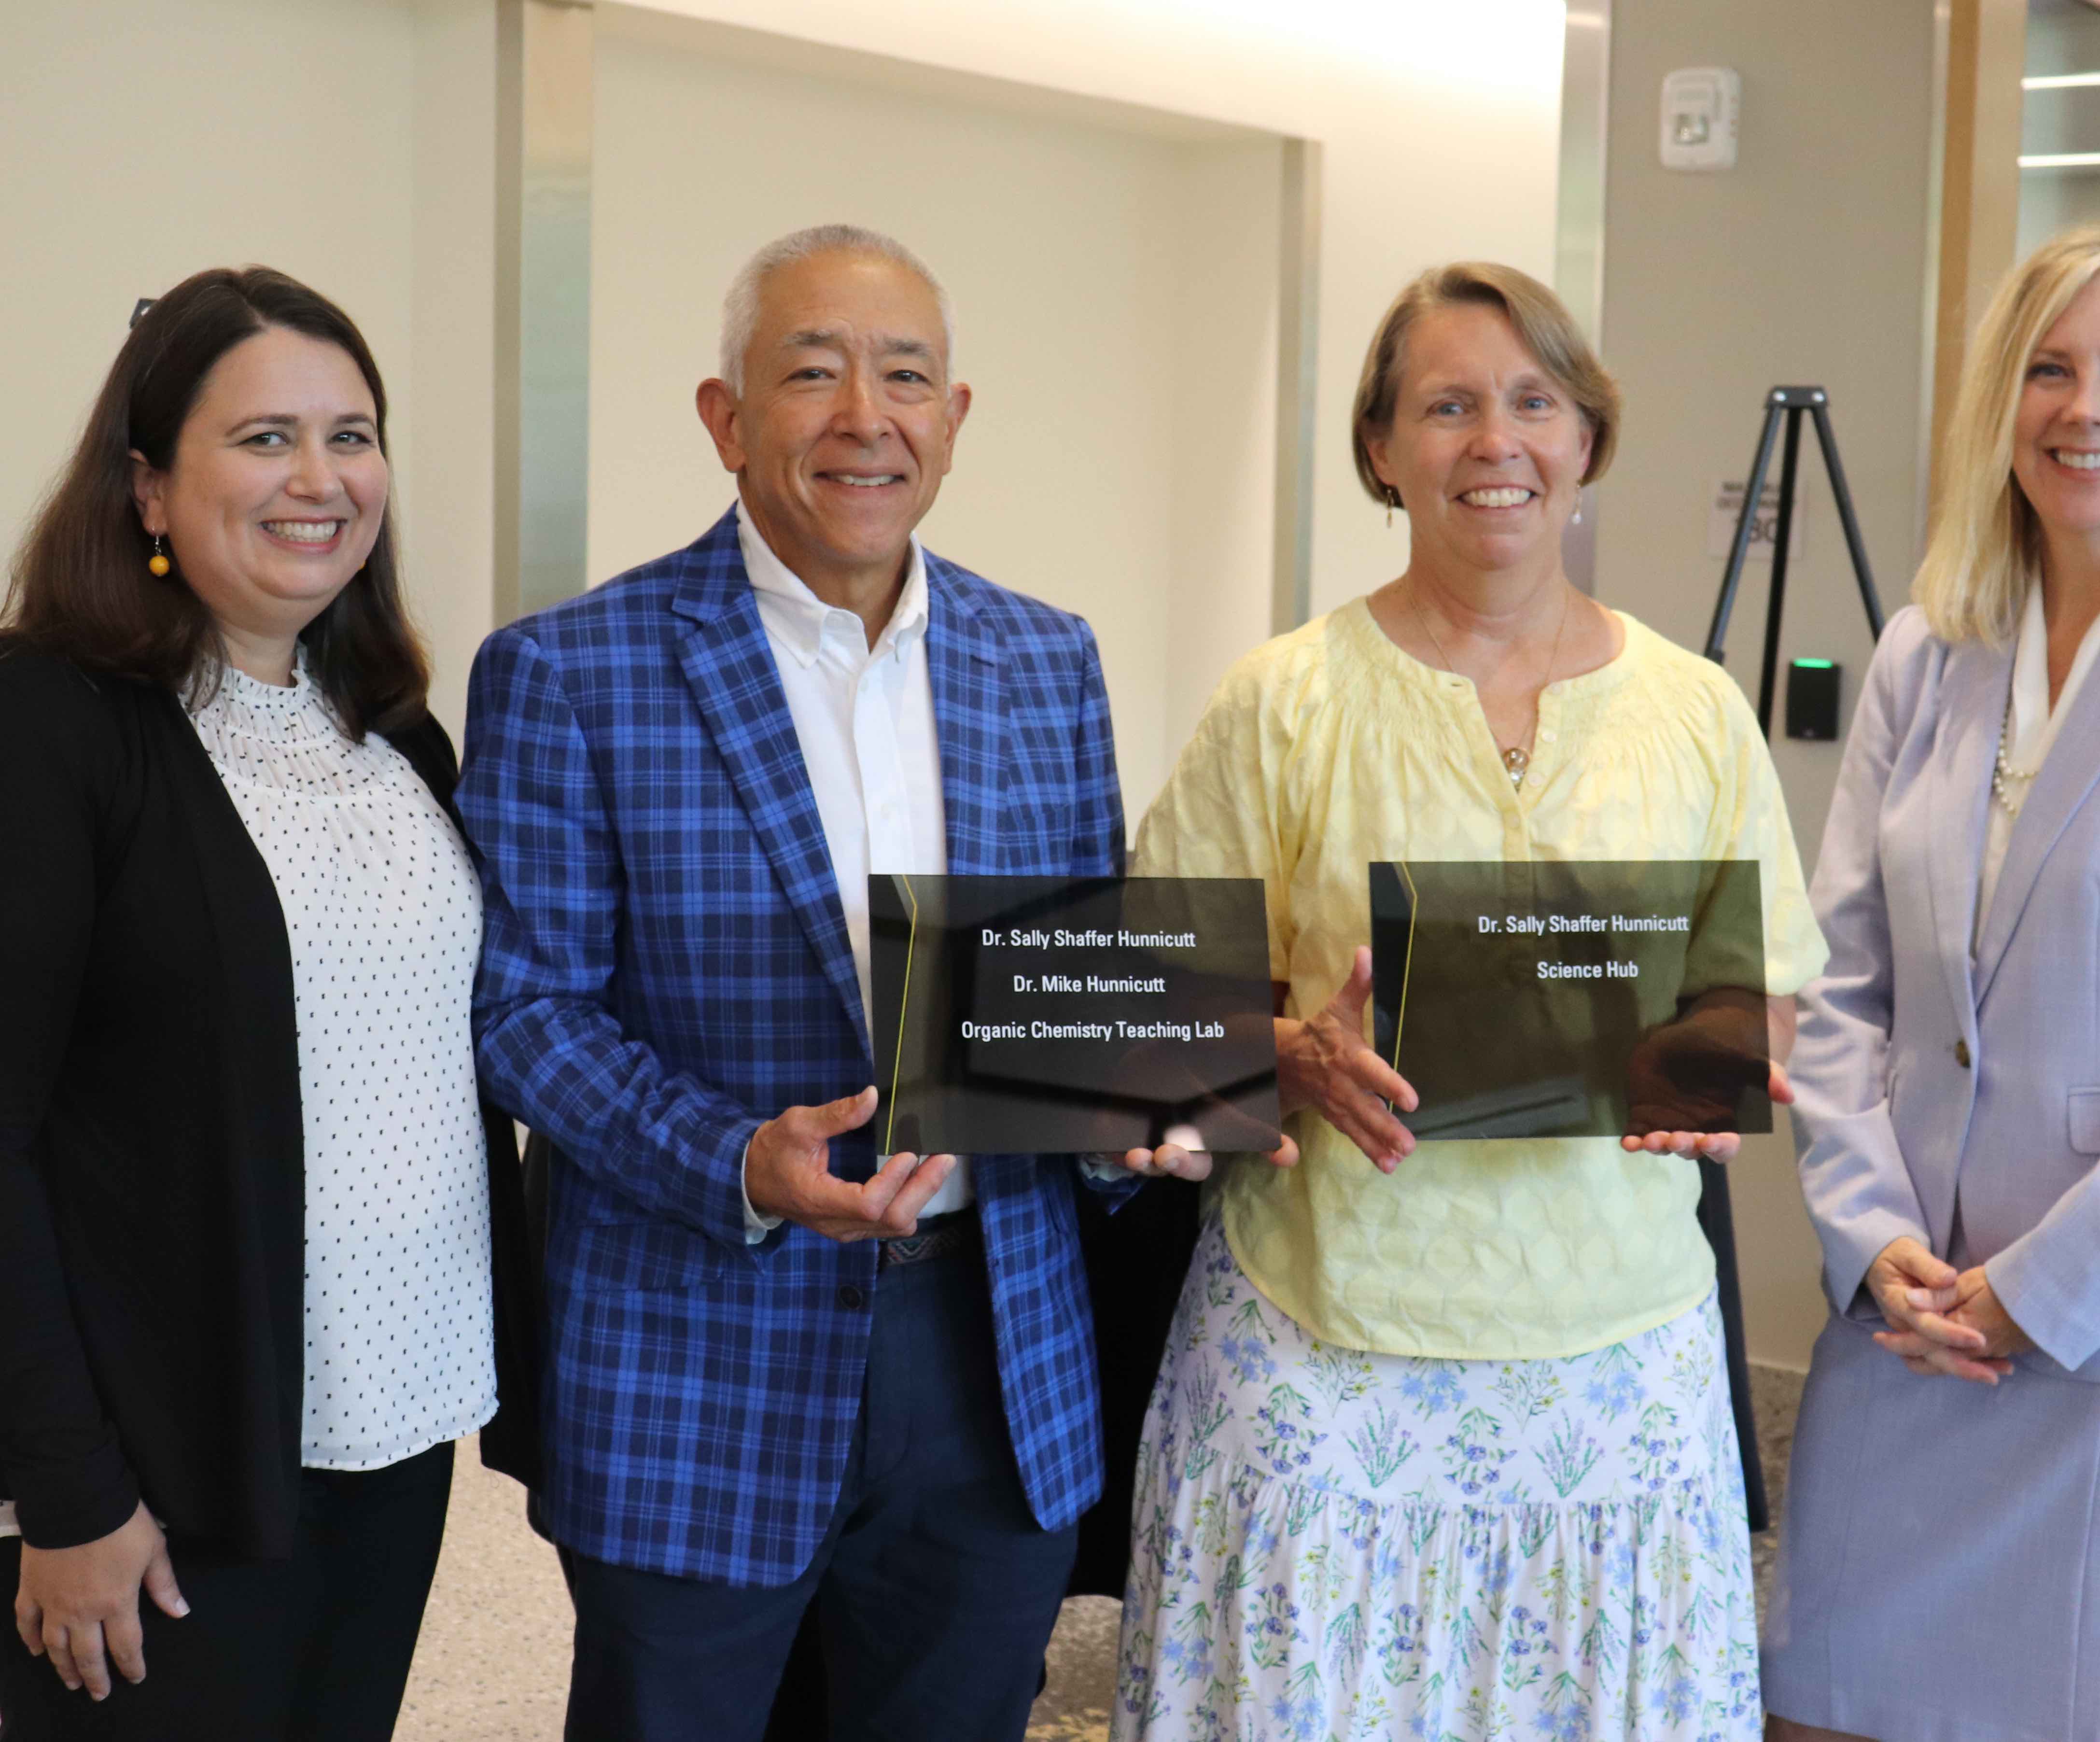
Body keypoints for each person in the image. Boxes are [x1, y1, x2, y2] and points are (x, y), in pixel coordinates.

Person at [458, 224, 1232, 1742]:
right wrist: (736, 1159)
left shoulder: (1044, 660)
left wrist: (1152, 1109)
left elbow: (1073, 981)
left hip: (989, 1346)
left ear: (954, 419)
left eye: (905, 376)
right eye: (811, 372)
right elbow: (522, 1008)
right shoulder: (571, 668)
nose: (863, 414)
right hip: (694, 1341)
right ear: (725, 417)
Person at [1112, 262, 1827, 1742]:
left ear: (1584, 440)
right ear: (1382, 449)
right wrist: (1281, 1055)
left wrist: (1712, 1084)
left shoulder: (1697, 709)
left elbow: (1762, 1002)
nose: (1491, 441)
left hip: (1615, 1372)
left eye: (1530, 402)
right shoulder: (1282, 698)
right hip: (1322, 1348)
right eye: (1445, 406)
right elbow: (1137, 1012)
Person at [1762, 226, 2100, 1742]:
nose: (2088, 408)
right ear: (1999, 409)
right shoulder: (1921, 657)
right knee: (1829, 1707)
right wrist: (1873, 1240)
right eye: (2049, 370)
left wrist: (2039, 1292)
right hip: (1910, 1320)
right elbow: (1837, 989)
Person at [0, 267, 536, 1741]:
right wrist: (66, 1489)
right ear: (149, 489)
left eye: (351, 435)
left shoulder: (393, 731)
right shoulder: (52, 722)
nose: (321, 480)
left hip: (396, 1419)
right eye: (263, 440)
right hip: (168, 1456)